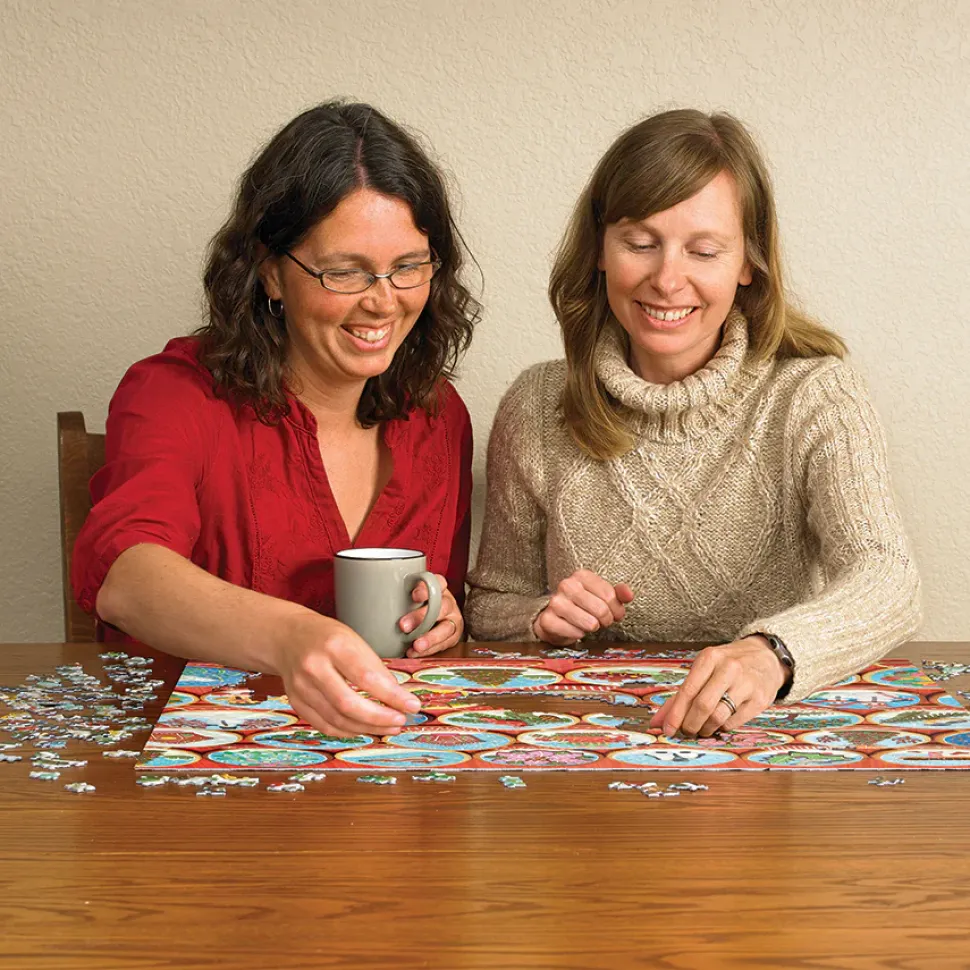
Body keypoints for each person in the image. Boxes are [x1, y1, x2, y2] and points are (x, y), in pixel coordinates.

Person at [467, 108, 921, 738]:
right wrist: (541, 617)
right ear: (600, 250)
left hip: (766, 739)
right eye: (640, 244)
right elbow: (489, 605)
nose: (667, 280)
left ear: (747, 263)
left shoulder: (814, 394)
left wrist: (773, 654)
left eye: (703, 251)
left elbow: (889, 579)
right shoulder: (537, 404)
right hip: (591, 741)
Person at [73, 101, 481, 739]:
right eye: (343, 272)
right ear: (269, 271)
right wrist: (293, 637)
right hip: (195, 762)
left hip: (385, 763)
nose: (383, 301)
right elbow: (126, 578)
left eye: (408, 266)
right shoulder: (173, 394)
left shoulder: (439, 416)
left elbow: (434, 622)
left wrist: (445, 619)